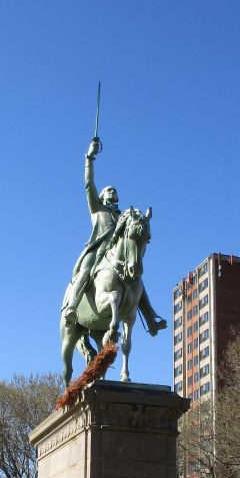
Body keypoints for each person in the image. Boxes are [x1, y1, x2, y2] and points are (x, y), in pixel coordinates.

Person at [62, 137, 167, 335]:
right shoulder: (97, 208)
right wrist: (89, 158)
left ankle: (151, 317)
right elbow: (88, 184)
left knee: (138, 280)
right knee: (85, 270)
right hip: (98, 250)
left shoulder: (122, 216)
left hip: (118, 254)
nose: (112, 192)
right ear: (102, 196)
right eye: (108, 190)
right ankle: (72, 307)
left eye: (114, 190)